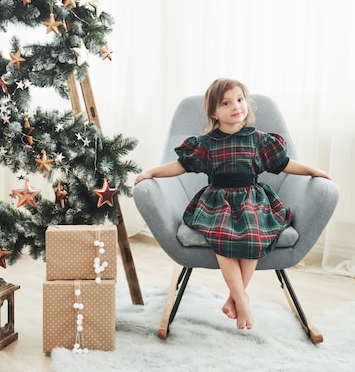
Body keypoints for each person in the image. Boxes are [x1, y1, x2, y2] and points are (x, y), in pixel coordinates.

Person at [134, 78, 331, 331]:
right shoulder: (206, 144)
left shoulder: (259, 139)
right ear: (215, 112)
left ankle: (234, 297)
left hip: (252, 199)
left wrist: (313, 171)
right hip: (218, 201)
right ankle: (242, 299)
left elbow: (285, 164)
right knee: (222, 236)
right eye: (226, 103)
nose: (235, 106)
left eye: (239, 100)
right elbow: (180, 166)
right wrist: (151, 172)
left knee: (254, 236)